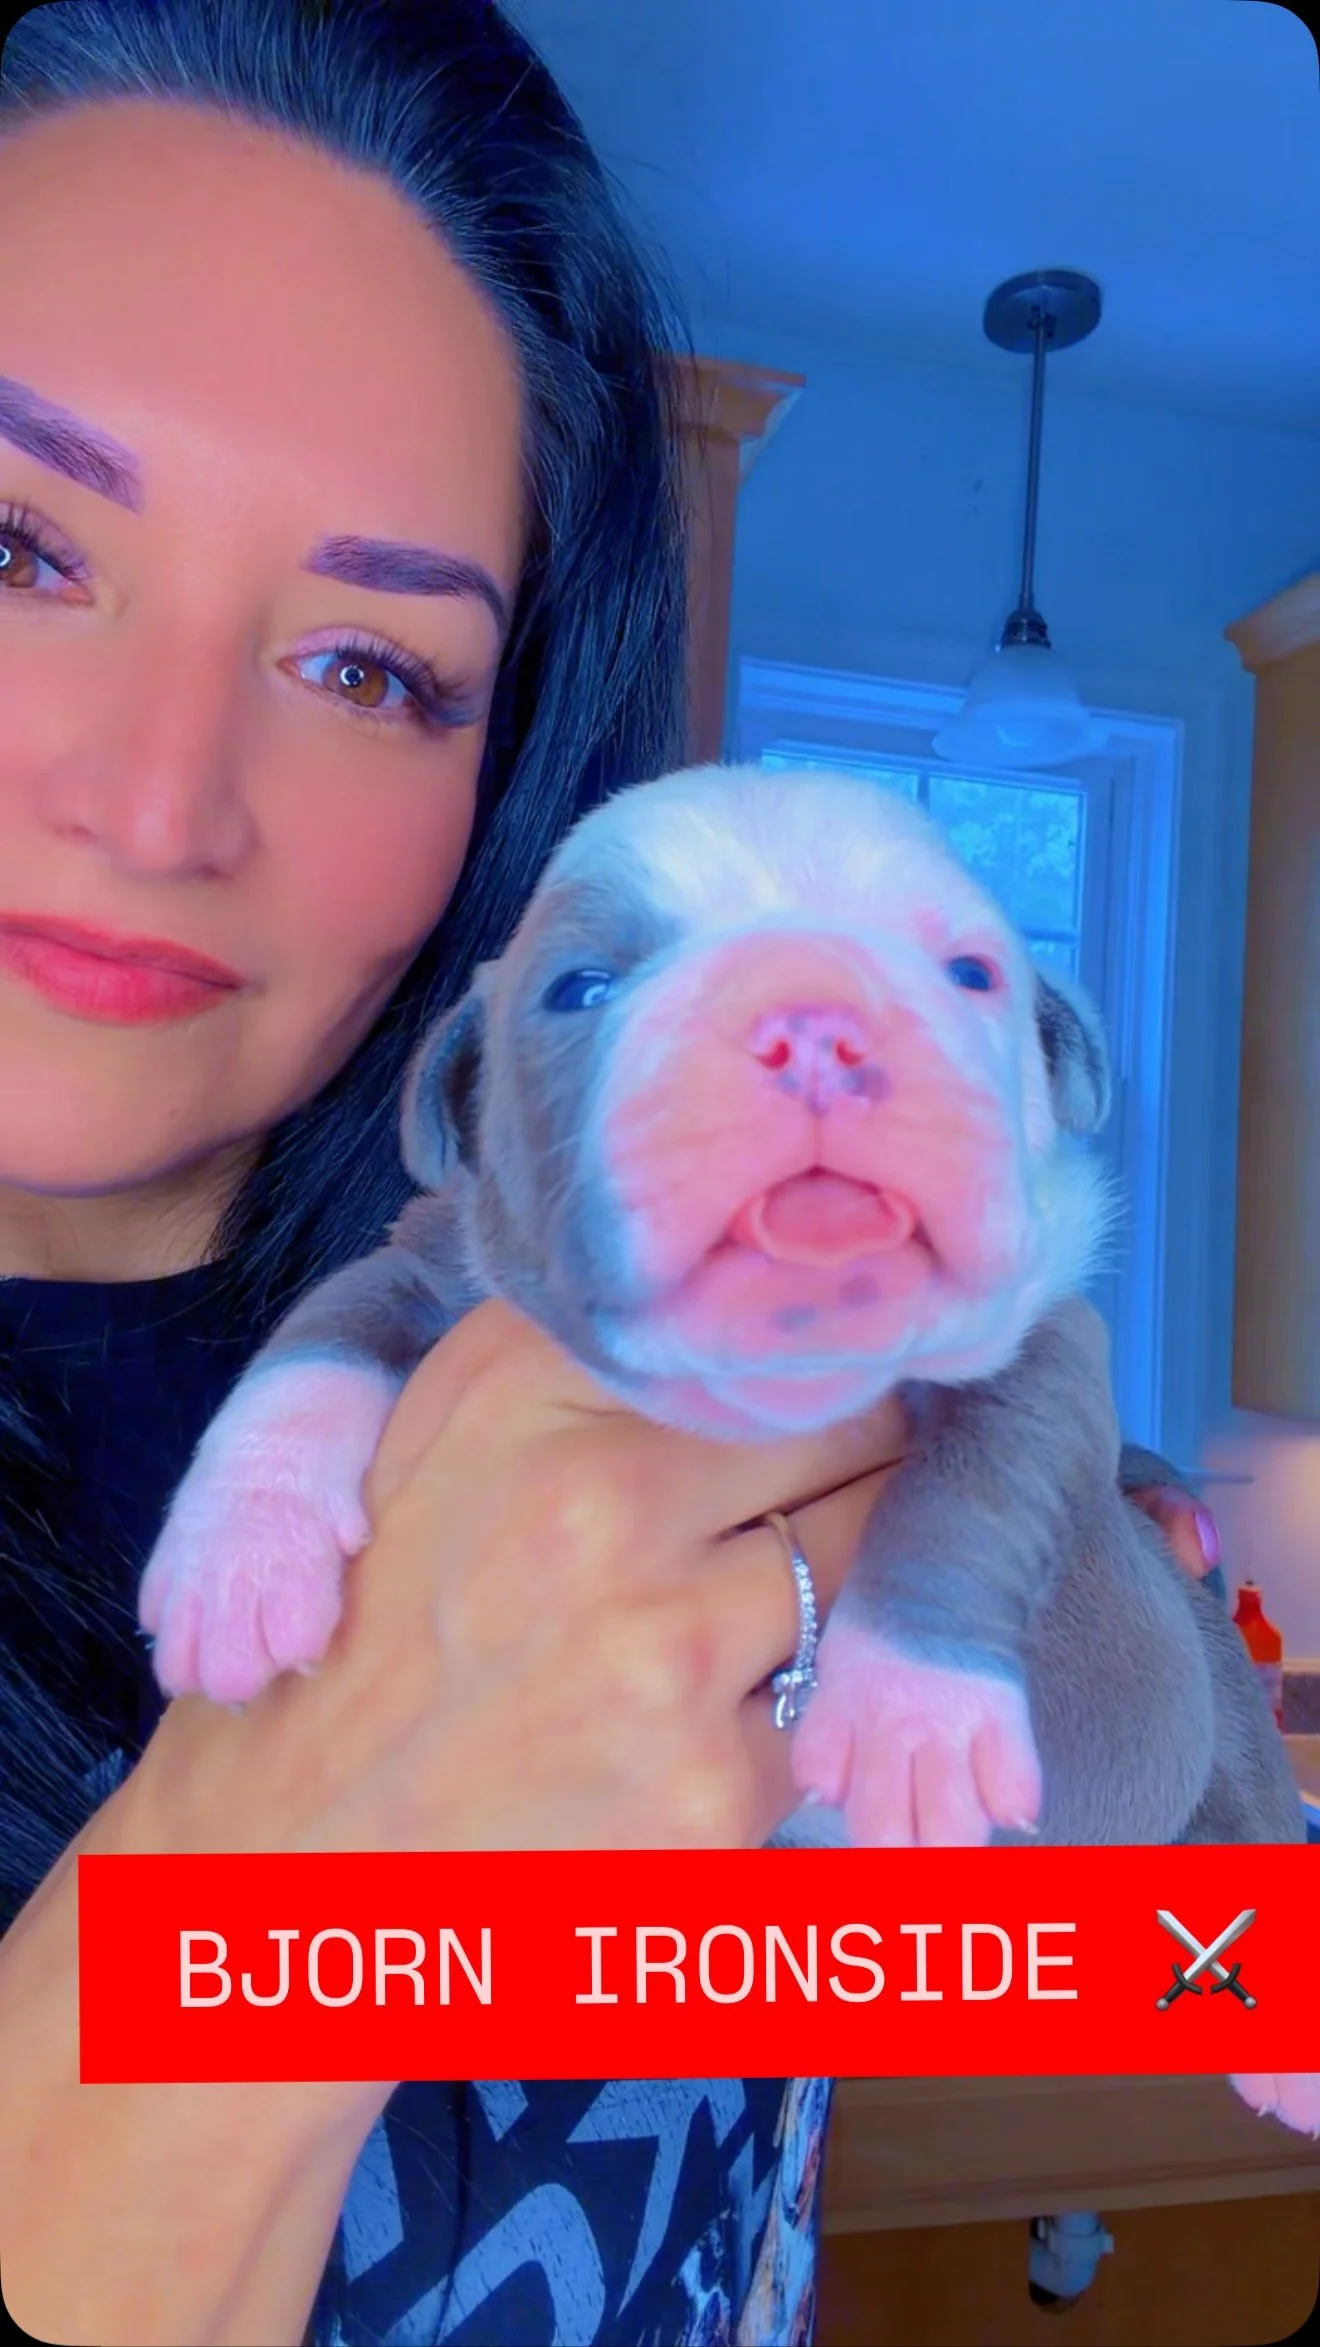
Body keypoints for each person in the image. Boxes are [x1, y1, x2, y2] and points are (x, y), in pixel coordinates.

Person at [0, 5, 1221, 2343]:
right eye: (18, 544)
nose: (158, 807)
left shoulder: (547, 1313)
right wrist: (288, 1843)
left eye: (371, 669)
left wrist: (1038, 1593)